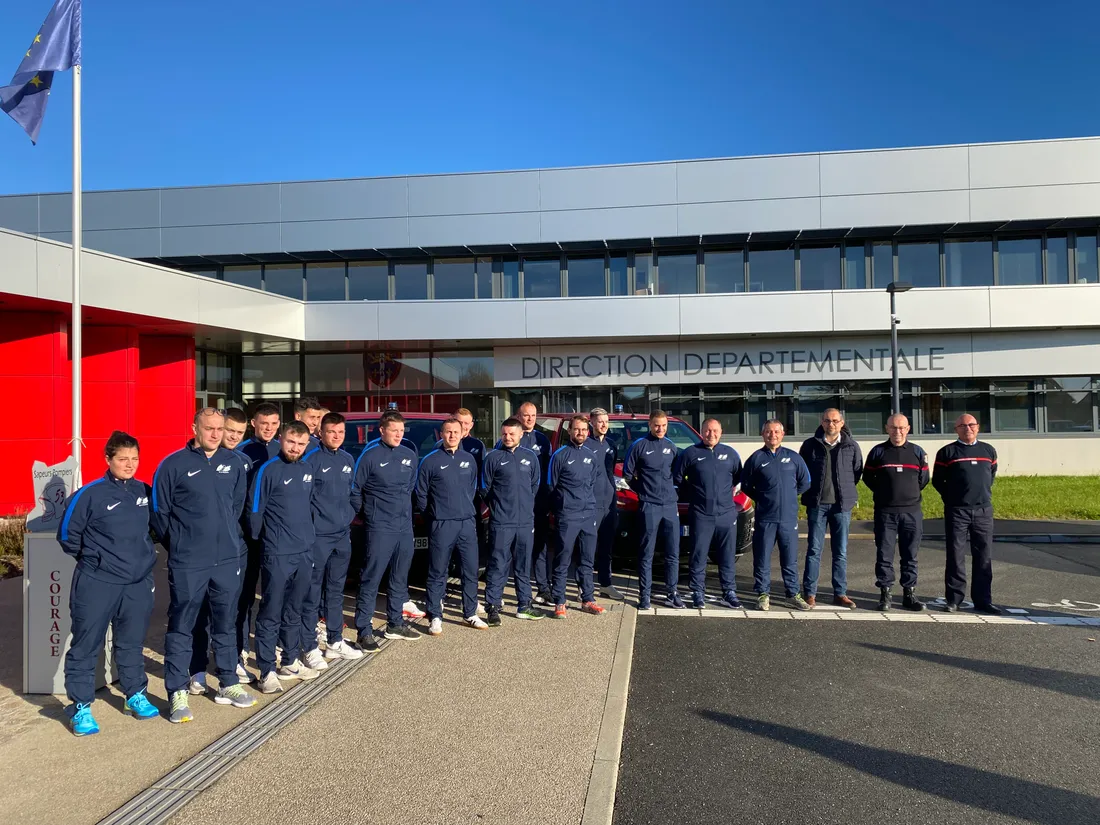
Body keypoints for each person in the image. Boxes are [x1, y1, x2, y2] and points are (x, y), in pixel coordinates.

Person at [151, 409, 258, 723]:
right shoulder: (172, 465)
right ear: (194, 427)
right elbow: (160, 513)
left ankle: (228, 682)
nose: (215, 434)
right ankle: (178, 691)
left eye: (219, 429)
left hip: (226, 559)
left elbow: (237, 507)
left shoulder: (235, 464)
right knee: (182, 625)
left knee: (225, 622)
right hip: (189, 562)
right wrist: (182, 544)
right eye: (209, 428)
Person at [57, 432, 160, 736]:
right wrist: (96, 560)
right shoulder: (89, 495)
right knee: (86, 644)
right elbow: (66, 536)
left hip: (137, 584)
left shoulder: (144, 491)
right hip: (97, 582)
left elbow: (156, 528)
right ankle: (80, 706)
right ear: (108, 460)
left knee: (130, 642)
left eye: (135, 459)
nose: (130, 465)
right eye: (123, 459)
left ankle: (134, 695)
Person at [248, 421, 319, 694]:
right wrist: (266, 542)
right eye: (291, 442)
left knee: (294, 610)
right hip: (278, 553)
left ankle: (289, 661)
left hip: (303, 551)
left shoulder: (307, 469)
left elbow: (309, 507)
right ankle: (266, 669)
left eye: (301, 444)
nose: (296, 448)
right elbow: (254, 511)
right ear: (281, 439)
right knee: (271, 611)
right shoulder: (267, 470)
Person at [188, 407, 253, 693]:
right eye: (227, 431)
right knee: (199, 613)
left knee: (230, 611)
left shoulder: (241, 463)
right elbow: (163, 514)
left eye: (238, 433)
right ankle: (197, 668)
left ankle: (231, 663)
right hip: (195, 555)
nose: (228, 436)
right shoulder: (182, 462)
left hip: (232, 549)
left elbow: (238, 507)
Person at [351, 410, 422, 649]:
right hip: (379, 526)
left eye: (402, 431)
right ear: (382, 431)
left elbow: (411, 486)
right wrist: (366, 515)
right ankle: (364, 629)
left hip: (404, 526)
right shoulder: (370, 456)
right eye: (394, 431)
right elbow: (355, 489)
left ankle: (395, 623)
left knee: (400, 577)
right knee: (371, 578)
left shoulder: (409, 455)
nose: (398, 435)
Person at [300, 412, 364, 667]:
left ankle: (335, 641)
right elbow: (303, 499)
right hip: (318, 537)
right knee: (312, 591)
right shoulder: (311, 460)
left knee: (336, 590)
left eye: (340, 433)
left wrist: (348, 515)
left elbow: (353, 493)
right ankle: (310, 645)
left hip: (341, 535)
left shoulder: (348, 459)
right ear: (321, 434)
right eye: (331, 432)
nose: (336, 437)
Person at [416, 417, 484, 634]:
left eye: (456, 431)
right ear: (441, 434)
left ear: (463, 433)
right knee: (438, 570)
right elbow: (421, 495)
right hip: (441, 523)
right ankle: (435, 615)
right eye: (448, 432)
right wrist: (434, 515)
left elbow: (472, 488)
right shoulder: (430, 461)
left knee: (470, 569)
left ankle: (470, 613)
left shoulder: (469, 459)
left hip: (466, 522)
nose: (452, 435)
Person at [932, 413, 1000, 614]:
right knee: (956, 556)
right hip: (957, 511)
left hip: (983, 511)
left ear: (978, 427)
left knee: (984, 556)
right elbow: (938, 481)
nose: (967, 428)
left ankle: (983, 600)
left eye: (971, 425)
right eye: (962, 425)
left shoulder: (988, 450)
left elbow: (991, 475)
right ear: (956, 429)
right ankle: (954, 599)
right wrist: (952, 498)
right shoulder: (947, 452)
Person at [672, 418, 742, 609]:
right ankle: (697, 592)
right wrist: (694, 493)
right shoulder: (690, 453)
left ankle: (729, 592)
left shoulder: (730, 454)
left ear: (721, 432)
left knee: (727, 555)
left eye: (715, 431)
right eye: (707, 431)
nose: (711, 434)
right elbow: (678, 479)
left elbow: (737, 478)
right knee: (699, 554)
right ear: (701, 432)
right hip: (701, 513)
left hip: (726, 514)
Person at [742, 419, 811, 612]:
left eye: (776, 432)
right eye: (768, 432)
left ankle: (792, 594)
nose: (772, 435)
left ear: (782, 434)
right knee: (762, 558)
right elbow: (746, 485)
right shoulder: (755, 458)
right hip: (766, 518)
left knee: (790, 558)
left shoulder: (794, 458)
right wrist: (763, 498)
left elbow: (805, 482)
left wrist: (788, 496)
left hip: (788, 518)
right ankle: (763, 594)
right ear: (763, 434)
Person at [481, 418, 546, 624]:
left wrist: (525, 508)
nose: (507, 437)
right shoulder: (493, 458)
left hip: (525, 522)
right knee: (498, 564)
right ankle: (492, 606)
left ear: (520, 435)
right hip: (502, 521)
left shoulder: (530, 457)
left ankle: (524, 605)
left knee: (523, 565)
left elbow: (534, 486)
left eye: (511, 434)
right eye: (504, 434)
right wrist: (499, 507)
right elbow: (484, 489)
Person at [863, 413, 929, 611]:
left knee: (910, 555)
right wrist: (885, 492)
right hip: (885, 513)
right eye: (893, 427)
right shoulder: (877, 452)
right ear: (887, 428)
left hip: (912, 512)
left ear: (908, 429)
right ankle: (885, 594)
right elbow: (868, 478)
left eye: (901, 428)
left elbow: (923, 479)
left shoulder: (918, 452)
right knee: (884, 554)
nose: (897, 431)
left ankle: (909, 594)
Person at [799, 409, 862, 608]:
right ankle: (810, 593)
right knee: (814, 550)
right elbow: (803, 472)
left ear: (842, 423)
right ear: (822, 422)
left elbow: (857, 471)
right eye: (827, 421)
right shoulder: (810, 445)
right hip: (818, 505)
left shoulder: (851, 446)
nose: (831, 424)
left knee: (840, 551)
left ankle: (840, 593)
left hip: (842, 506)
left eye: (835, 421)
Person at [235, 402, 281, 673]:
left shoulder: (282, 450)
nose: (269, 428)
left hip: (276, 538)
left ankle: (271, 645)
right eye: (264, 423)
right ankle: (240, 648)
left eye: (274, 424)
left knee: (274, 594)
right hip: (248, 537)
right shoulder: (242, 452)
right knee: (245, 596)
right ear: (254, 423)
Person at [546, 415, 605, 618]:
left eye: (584, 430)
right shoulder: (560, 455)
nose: (580, 433)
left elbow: (592, 482)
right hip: (568, 515)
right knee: (563, 559)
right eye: (576, 429)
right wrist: (561, 509)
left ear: (588, 432)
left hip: (588, 514)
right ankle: (559, 601)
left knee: (587, 560)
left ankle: (587, 599)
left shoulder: (591, 455)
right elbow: (551, 486)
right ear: (569, 431)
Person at [622, 410, 682, 610]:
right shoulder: (639, 446)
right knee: (646, 553)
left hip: (670, 506)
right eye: (657, 425)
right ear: (650, 424)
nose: (661, 429)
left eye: (664, 425)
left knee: (673, 552)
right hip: (649, 505)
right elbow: (628, 475)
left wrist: (673, 492)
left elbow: (677, 475)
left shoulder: (671, 447)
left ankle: (672, 593)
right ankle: (645, 595)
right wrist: (644, 492)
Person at [513, 402, 553, 604]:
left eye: (533, 415)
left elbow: (549, 472)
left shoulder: (543, 440)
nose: (529, 419)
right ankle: (518, 588)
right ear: (518, 416)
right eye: (526, 415)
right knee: (515, 547)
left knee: (540, 546)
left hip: (539, 503)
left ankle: (543, 588)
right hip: (516, 506)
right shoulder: (510, 438)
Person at [585, 408, 623, 600]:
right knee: (588, 548)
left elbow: (610, 472)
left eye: (606, 421)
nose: (604, 425)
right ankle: (585, 588)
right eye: (600, 421)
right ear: (591, 422)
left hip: (608, 503)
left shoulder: (611, 444)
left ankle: (606, 584)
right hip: (590, 504)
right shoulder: (585, 443)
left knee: (606, 548)